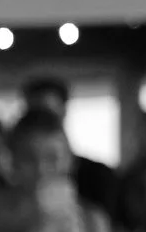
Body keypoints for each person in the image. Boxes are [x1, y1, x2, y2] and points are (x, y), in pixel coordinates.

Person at [22, 75, 118, 218]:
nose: (40, 123)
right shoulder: (13, 187)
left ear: (64, 112)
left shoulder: (99, 177)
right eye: (33, 116)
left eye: (47, 115)